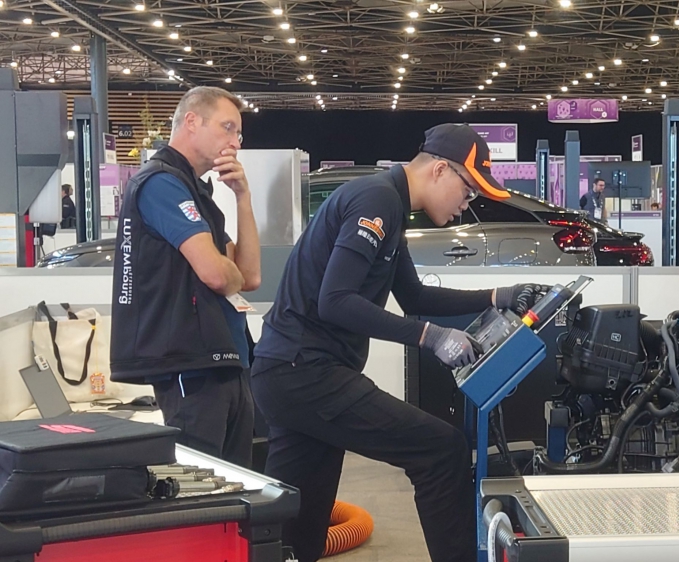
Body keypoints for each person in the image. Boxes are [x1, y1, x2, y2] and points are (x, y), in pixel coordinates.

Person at [251, 123, 550, 562]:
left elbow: (415, 297)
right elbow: (335, 301)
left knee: (298, 533)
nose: (466, 205)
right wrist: (431, 336)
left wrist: (496, 296)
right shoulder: (377, 200)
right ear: (440, 170)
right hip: (306, 372)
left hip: (289, 372)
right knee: (440, 450)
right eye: (467, 191)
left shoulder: (390, 203)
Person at [110, 86, 261, 466]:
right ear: (192, 121)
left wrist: (242, 197)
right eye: (228, 128)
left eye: (239, 134)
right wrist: (225, 270)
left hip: (226, 360)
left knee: (238, 485)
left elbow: (249, 276)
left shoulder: (196, 192)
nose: (235, 143)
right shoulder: (161, 183)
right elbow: (217, 275)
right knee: (203, 486)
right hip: (191, 365)